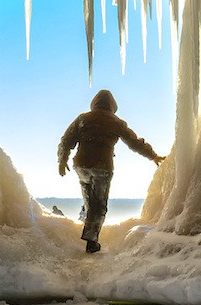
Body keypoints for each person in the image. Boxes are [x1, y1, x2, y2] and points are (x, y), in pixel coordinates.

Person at [57, 90, 164, 253]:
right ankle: (91, 242)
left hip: (82, 165)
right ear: (113, 106)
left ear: (94, 104)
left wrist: (62, 160)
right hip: (102, 167)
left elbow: (66, 140)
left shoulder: (83, 118)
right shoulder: (116, 121)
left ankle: (87, 220)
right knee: (99, 205)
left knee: (89, 197)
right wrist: (153, 156)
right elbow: (134, 143)